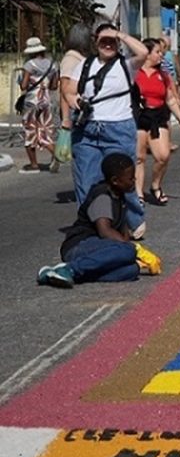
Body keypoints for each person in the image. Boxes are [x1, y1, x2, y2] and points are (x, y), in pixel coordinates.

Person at [65, 23, 147, 237]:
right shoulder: (84, 64)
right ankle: (90, 224)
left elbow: (143, 52)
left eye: (112, 42)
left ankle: (133, 219)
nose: (108, 45)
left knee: (123, 180)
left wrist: (119, 33)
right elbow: (69, 90)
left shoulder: (126, 65)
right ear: (95, 42)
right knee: (86, 180)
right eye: (104, 41)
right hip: (87, 129)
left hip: (118, 129)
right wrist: (74, 101)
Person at [37, 153, 161, 288]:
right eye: (130, 178)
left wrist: (132, 255)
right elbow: (105, 231)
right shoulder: (102, 196)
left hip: (99, 250)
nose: (134, 181)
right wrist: (135, 249)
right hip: (79, 246)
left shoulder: (120, 197)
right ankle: (70, 269)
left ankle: (55, 275)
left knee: (132, 270)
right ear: (115, 181)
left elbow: (123, 236)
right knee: (129, 251)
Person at [134, 38, 180, 205]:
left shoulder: (163, 75)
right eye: (157, 52)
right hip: (139, 117)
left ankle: (155, 185)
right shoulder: (134, 73)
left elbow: (170, 98)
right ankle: (138, 194)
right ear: (147, 54)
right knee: (139, 158)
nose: (161, 55)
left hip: (158, 116)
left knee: (163, 156)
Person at [18, 37, 58, 174]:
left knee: (30, 131)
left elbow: (23, 85)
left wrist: (22, 80)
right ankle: (55, 153)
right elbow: (54, 86)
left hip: (32, 102)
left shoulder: (29, 65)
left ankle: (34, 164)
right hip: (46, 101)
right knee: (44, 130)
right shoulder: (52, 65)